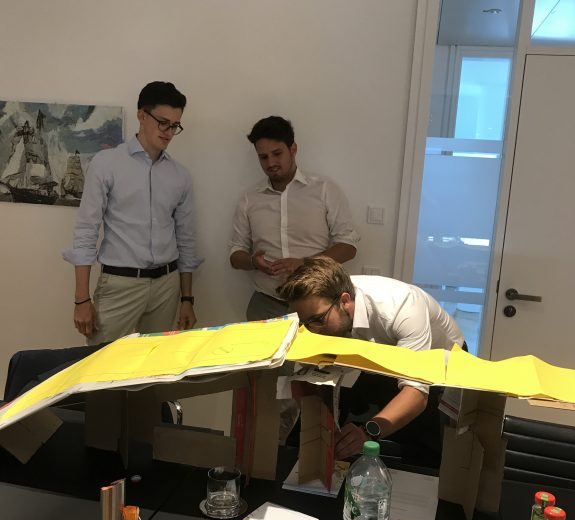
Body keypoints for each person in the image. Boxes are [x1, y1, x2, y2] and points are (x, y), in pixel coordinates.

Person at [229, 115, 359, 442]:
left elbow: (349, 245)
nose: (270, 163)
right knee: (266, 393)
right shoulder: (249, 199)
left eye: (277, 154)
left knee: (317, 389)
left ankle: (316, 454)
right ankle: (265, 456)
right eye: (263, 157)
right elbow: (235, 253)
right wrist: (254, 262)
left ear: (293, 149)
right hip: (266, 306)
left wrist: (306, 263)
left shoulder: (324, 190)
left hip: (317, 311)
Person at [277, 256, 465, 464]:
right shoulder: (323, 308)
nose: (312, 330)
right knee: (354, 417)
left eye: (318, 320)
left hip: (441, 359)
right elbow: (316, 377)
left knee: (421, 444)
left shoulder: (402, 307)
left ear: (345, 301)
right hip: (382, 353)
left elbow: (416, 394)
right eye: (305, 323)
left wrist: (368, 432)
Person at [63, 81, 201, 345]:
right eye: (163, 123)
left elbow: (186, 239)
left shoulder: (180, 176)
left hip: (167, 285)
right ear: (141, 115)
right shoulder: (107, 164)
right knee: (102, 364)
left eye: (175, 126)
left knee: (155, 363)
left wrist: (187, 299)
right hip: (120, 284)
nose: (169, 132)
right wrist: (81, 299)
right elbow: (86, 231)